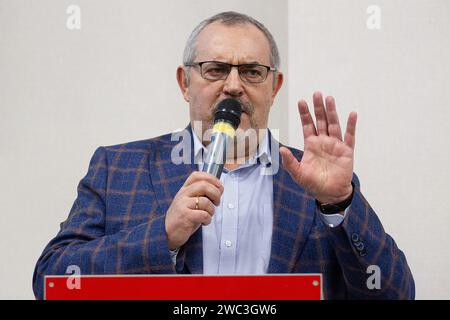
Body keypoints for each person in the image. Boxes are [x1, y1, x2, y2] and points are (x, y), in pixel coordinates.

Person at [33, 11, 415, 299]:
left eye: (251, 72)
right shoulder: (116, 168)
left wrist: (338, 204)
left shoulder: (318, 181)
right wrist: (162, 237)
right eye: (215, 70)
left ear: (274, 85)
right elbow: (53, 282)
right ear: (186, 83)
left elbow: (395, 293)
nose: (233, 86)